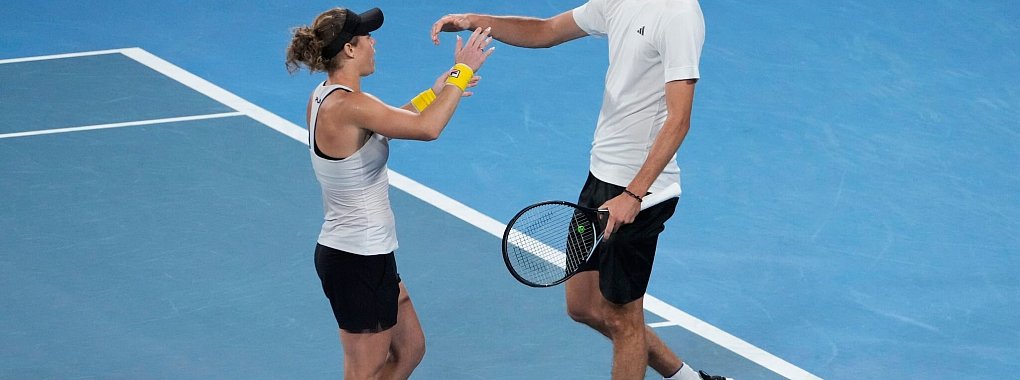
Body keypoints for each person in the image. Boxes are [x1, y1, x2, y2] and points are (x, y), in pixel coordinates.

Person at [432, 1, 730, 380]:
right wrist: (476, 20)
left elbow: (680, 118)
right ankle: (688, 378)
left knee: (623, 319)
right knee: (584, 305)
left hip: (641, 190)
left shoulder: (678, 14)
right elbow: (545, 30)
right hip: (601, 175)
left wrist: (634, 195)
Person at [286, 7, 494, 380]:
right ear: (350, 50)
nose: (374, 42)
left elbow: (389, 124)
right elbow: (427, 129)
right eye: (366, 37)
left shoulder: (328, 96)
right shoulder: (348, 105)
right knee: (364, 372)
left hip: (370, 253)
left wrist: (437, 91)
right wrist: (462, 72)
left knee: (410, 348)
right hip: (354, 259)